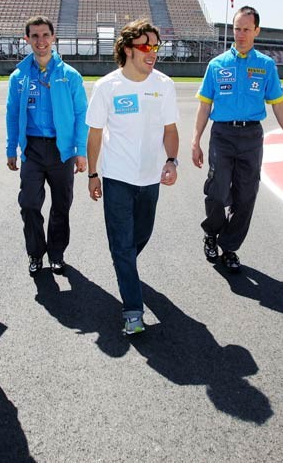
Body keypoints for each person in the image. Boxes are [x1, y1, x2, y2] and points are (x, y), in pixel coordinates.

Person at [192, 5, 283, 272]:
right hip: (222, 134)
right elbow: (205, 105)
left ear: (256, 30)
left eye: (246, 29)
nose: (240, 34)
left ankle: (229, 247)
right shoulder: (216, 65)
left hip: (252, 136)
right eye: (236, 29)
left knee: (246, 196)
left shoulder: (266, 65)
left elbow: (278, 105)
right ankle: (211, 233)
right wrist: (195, 140)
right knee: (217, 190)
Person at [86, 19, 179, 335]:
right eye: (145, 46)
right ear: (127, 49)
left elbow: (170, 130)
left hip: (151, 178)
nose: (152, 52)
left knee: (140, 236)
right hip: (116, 178)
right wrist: (93, 174)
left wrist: (172, 161)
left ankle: (124, 265)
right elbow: (95, 134)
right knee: (123, 245)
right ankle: (132, 311)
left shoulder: (164, 85)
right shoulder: (107, 87)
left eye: (156, 46)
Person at [6, 16, 88, 276]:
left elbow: (81, 116)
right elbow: (11, 114)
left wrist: (80, 151)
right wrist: (11, 149)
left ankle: (56, 253)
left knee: (61, 205)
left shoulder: (70, 76)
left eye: (45, 35)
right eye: (34, 36)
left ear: (54, 38)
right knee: (29, 204)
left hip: (61, 150)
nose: (40, 41)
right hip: (32, 149)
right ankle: (35, 252)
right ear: (27, 40)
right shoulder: (19, 76)